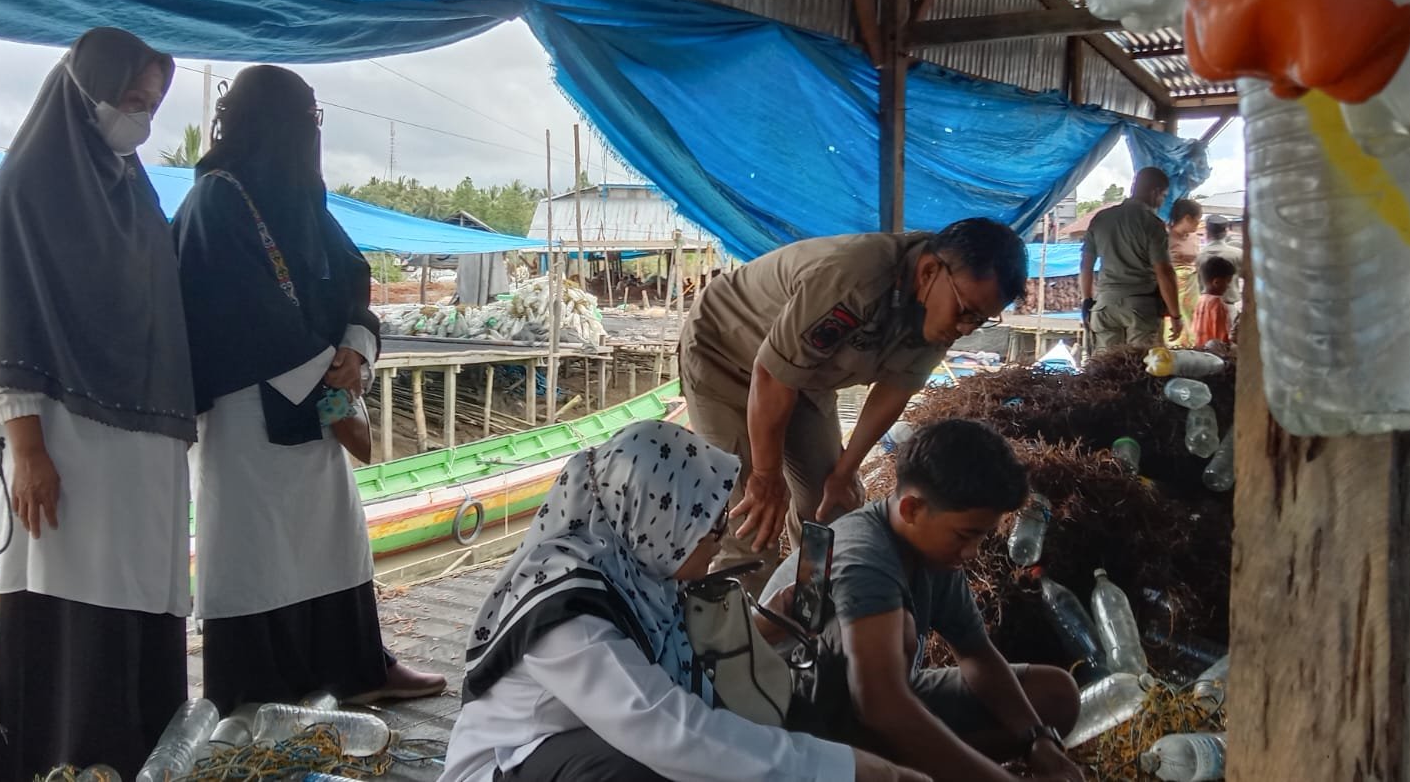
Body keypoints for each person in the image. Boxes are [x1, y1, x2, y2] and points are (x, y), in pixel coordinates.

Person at [0, 28, 195, 780]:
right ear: (87, 92)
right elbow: (7, 321)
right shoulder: (27, 190)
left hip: (143, 454)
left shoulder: (133, 191)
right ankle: (66, 762)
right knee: (75, 608)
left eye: (151, 105)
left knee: (141, 604)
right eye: (131, 100)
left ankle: (137, 760)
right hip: (66, 449)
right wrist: (27, 450)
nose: (140, 118)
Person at [441, 421, 928, 782]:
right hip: (512, 761)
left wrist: (763, 629)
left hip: (587, 737)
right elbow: (663, 727)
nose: (720, 536)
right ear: (656, 517)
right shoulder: (569, 613)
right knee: (645, 768)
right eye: (706, 522)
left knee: (760, 725)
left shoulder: (632, 568)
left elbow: (665, 659)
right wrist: (842, 768)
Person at [173, 65, 445, 711]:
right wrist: (325, 365)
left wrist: (355, 349)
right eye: (306, 119)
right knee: (255, 551)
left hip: (315, 394)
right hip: (244, 408)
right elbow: (235, 310)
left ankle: (357, 669)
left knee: (332, 539)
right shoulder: (215, 200)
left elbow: (352, 276)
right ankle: (257, 694)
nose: (311, 134)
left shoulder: (300, 196)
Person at [679, 219, 1027, 593]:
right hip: (726, 357)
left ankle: (809, 608)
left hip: (803, 376)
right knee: (754, 521)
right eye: (965, 312)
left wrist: (845, 471)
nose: (966, 329)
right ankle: (738, 622)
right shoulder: (855, 276)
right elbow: (771, 377)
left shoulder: (939, 311)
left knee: (831, 509)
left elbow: (895, 390)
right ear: (928, 272)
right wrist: (765, 475)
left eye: (980, 321)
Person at [759, 419, 1082, 782]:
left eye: (981, 536)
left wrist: (1037, 739)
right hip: (802, 726)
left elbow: (976, 654)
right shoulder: (863, 558)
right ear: (911, 509)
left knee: (1055, 696)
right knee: (902, 633)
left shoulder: (935, 552)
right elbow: (880, 706)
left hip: (871, 707)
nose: (972, 552)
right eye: (965, 535)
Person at [1080, 168, 1180, 349]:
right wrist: (1175, 315)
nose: (1162, 202)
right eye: (1164, 196)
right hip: (1140, 308)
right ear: (1155, 192)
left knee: (1106, 365)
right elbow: (1164, 272)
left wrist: (1087, 301)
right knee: (1142, 364)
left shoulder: (1101, 218)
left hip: (1104, 307)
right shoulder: (1152, 223)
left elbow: (1085, 266)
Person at [1166, 198, 1203, 346]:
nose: (1199, 223)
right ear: (1187, 218)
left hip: (1192, 286)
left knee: (1193, 320)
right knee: (1175, 318)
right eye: (1197, 219)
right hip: (1174, 285)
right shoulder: (1166, 236)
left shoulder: (1194, 237)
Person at [1196, 215, 1243, 328]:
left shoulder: (1199, 255)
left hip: (1205, 308)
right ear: (1226, 231)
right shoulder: (1237, 254)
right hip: (1228, 306)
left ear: (1207, 232)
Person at [1189, 257, 1237, 348]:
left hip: (1200, 349)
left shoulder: (1201, 300)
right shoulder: (1217, 304)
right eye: (1228, 282)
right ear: (1216, 282)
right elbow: (1222, 337)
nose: (1228, 286)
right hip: (1214, 352)